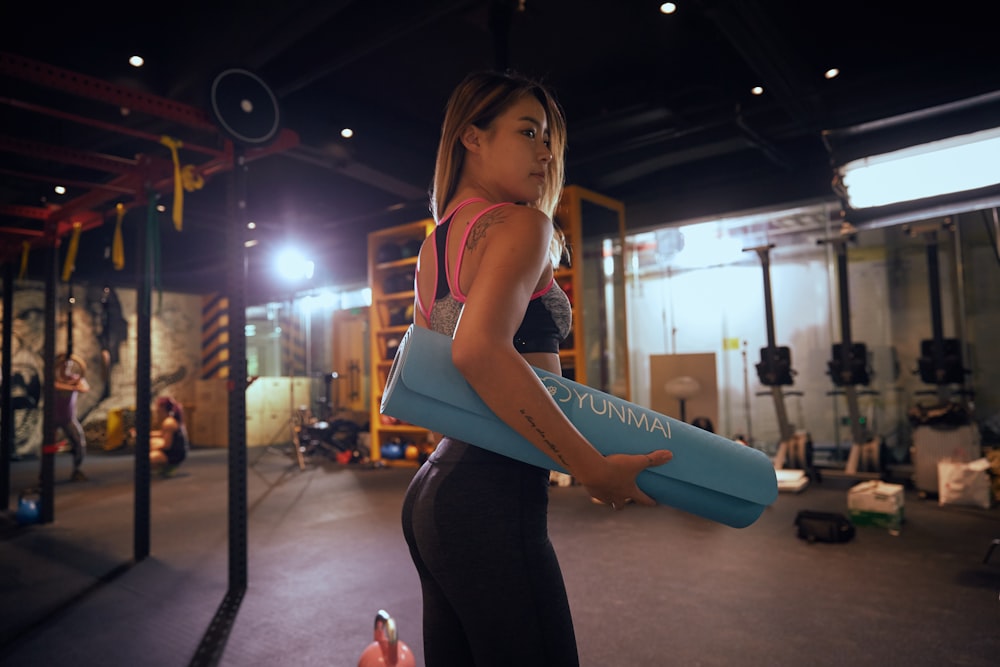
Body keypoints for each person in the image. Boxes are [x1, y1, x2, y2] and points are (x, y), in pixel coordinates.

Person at [399, 70, 674, 667]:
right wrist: (593, 470)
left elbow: (444, 378)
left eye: (549, 139)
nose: (546, 153)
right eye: (529, 132)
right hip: (488, 500)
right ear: (471, 137)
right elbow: (480, 353)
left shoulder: (436, 244)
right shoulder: (524, 225)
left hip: (437, 492)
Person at [53, 353, 90, 481]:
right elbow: (55, 386)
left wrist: (74, 384)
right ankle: (45, 473)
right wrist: (73, 386)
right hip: (52, 419)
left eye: (68, 363)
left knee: (79, 443)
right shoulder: (54, 378)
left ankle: (77, 470)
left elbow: (84, 388)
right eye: (63, 363)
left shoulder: (75, 377)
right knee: (48, 446)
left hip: (68, 418)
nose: (66, 366)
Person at [150, 396, 188, 477]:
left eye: (157, 406)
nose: (156, 409)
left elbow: (167, 446)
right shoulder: (170, 420)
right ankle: (165, 466)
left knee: (148, 454)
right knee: (152, 441)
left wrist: (151, 448)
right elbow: (162, 433)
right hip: (178, 451)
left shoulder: (168, 422)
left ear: (162, 408)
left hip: (175, 454)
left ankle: (169, 466)